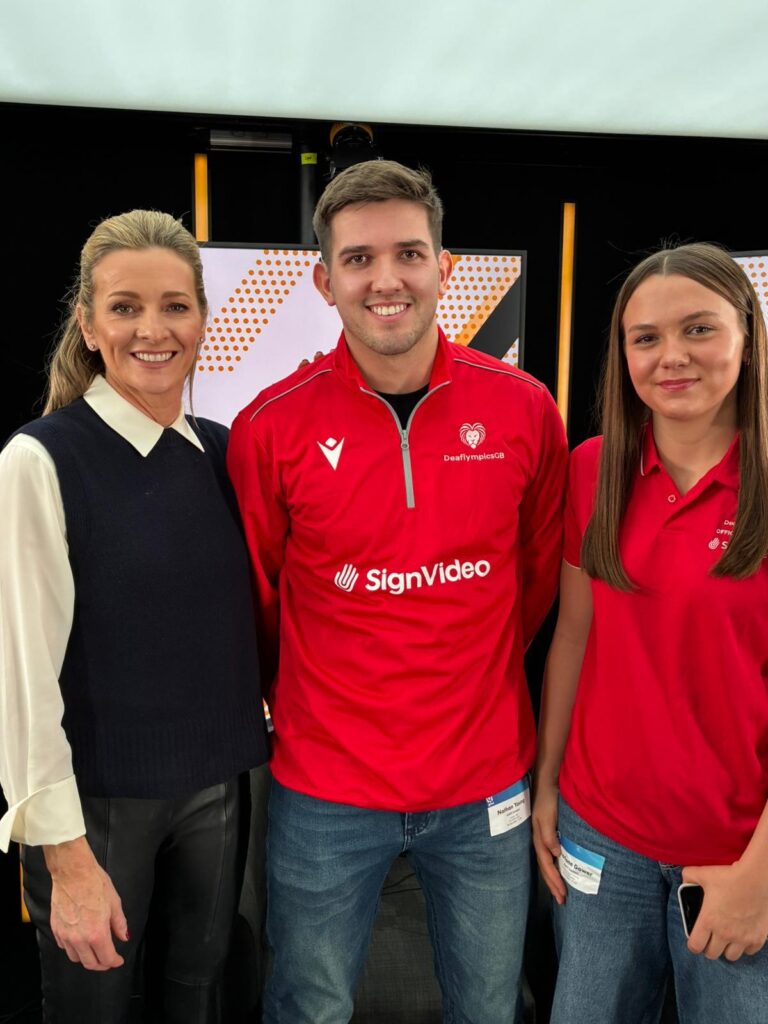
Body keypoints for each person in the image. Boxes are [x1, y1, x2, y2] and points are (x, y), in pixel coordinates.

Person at [227, 159, 568, 1023]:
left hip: (486, 783)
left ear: (445, 266)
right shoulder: (272, 425)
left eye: (410, 253)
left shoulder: (527, 411)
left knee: (488, 1008)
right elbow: (262, 600)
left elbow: (531, 587)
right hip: (323, 792)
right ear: (324, 278)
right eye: (359, 259)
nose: (387, 279)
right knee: (309, 1007)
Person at [0, 210, 269, 1023]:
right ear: (87, 323)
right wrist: (65, 857)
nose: (152, 329)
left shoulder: (230, 453)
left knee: (202, 1002)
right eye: (124, 307)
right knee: (94, 1009)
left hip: (223, 792)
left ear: (203, 318)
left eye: (174, 305)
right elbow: (22, 676)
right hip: (98, 809)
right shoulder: (42, 458)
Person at [532, 243, 768, 1024]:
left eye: (698, 329)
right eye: (646, 337)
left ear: (746, 333)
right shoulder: (593, 469)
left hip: (738, 852)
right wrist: (549, 783)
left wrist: (760, 873)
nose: (672, 357)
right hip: (603, 837)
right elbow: (574, 636)